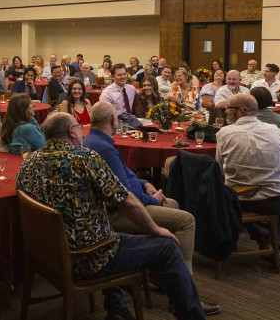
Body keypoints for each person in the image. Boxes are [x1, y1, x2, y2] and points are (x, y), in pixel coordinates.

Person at [17, 113, 206, 319]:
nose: (81, 131)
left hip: (48, 255)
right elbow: (127, 202)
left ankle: (116, 309)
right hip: (88, 258)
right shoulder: (84, 159)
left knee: (112, 231)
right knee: (166, 247)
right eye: (79, 127)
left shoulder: (28, 163)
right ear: (72, 132)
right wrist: (155, 229)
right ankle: (192, 315)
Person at [84, 102, 203, 285]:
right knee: (187, 221)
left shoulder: (94, 141)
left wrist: (145, 182)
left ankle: (163, 268)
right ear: (112, 119)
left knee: (172, 204)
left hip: (118, 205)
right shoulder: (104, 148)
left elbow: (122, 176)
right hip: (118, 212)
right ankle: (184, 282)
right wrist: (152, 200)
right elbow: (125, 194)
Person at [216, 94, 280, 269]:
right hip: (276, 201)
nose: (225, 112)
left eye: (228, 108)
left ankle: (263, 238)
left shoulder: (224, 133)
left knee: (235, 197)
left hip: (241, 201)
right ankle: (274, 241)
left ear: (241, 111)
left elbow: (220, 170)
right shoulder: (274, 130)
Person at [99, 63, 142, 129]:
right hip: (114, 126)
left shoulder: (131, 89)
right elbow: (104, 115)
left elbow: (141, 95)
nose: (123, 77)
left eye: (124, 74)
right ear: (112, 77)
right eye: (119, 75)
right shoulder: (107, 93)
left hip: (131, 124)